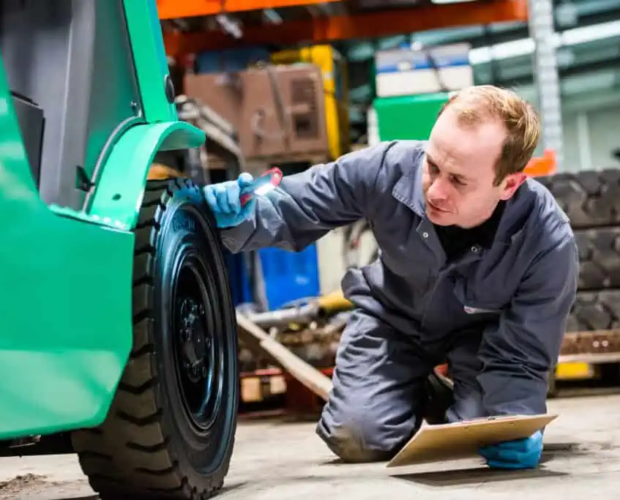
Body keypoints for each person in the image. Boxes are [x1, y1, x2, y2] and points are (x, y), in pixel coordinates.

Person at [203, 85, 579, 470]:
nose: (435, 189)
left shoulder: (547, 241)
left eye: (459, 181)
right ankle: (413, 390)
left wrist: (515, 421)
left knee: (481, 435)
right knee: (357, 436)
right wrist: (241, 213)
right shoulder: (387, 168)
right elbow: (296, 203)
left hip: (481, 338)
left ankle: (461, 401)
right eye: (433, 166)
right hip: (393, 318)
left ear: (509, 184)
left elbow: (522, 355)